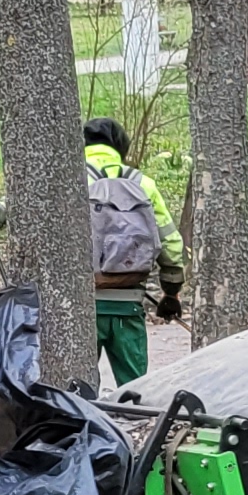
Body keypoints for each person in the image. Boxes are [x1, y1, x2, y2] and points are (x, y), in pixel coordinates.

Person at [81, 118, 182, 386]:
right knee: (136, 390)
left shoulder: (70, 181)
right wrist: (171, 291)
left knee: (77, 391)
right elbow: (169, 241)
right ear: (121, 147)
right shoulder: (142, 183)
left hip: (81, 304)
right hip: (128, 301)